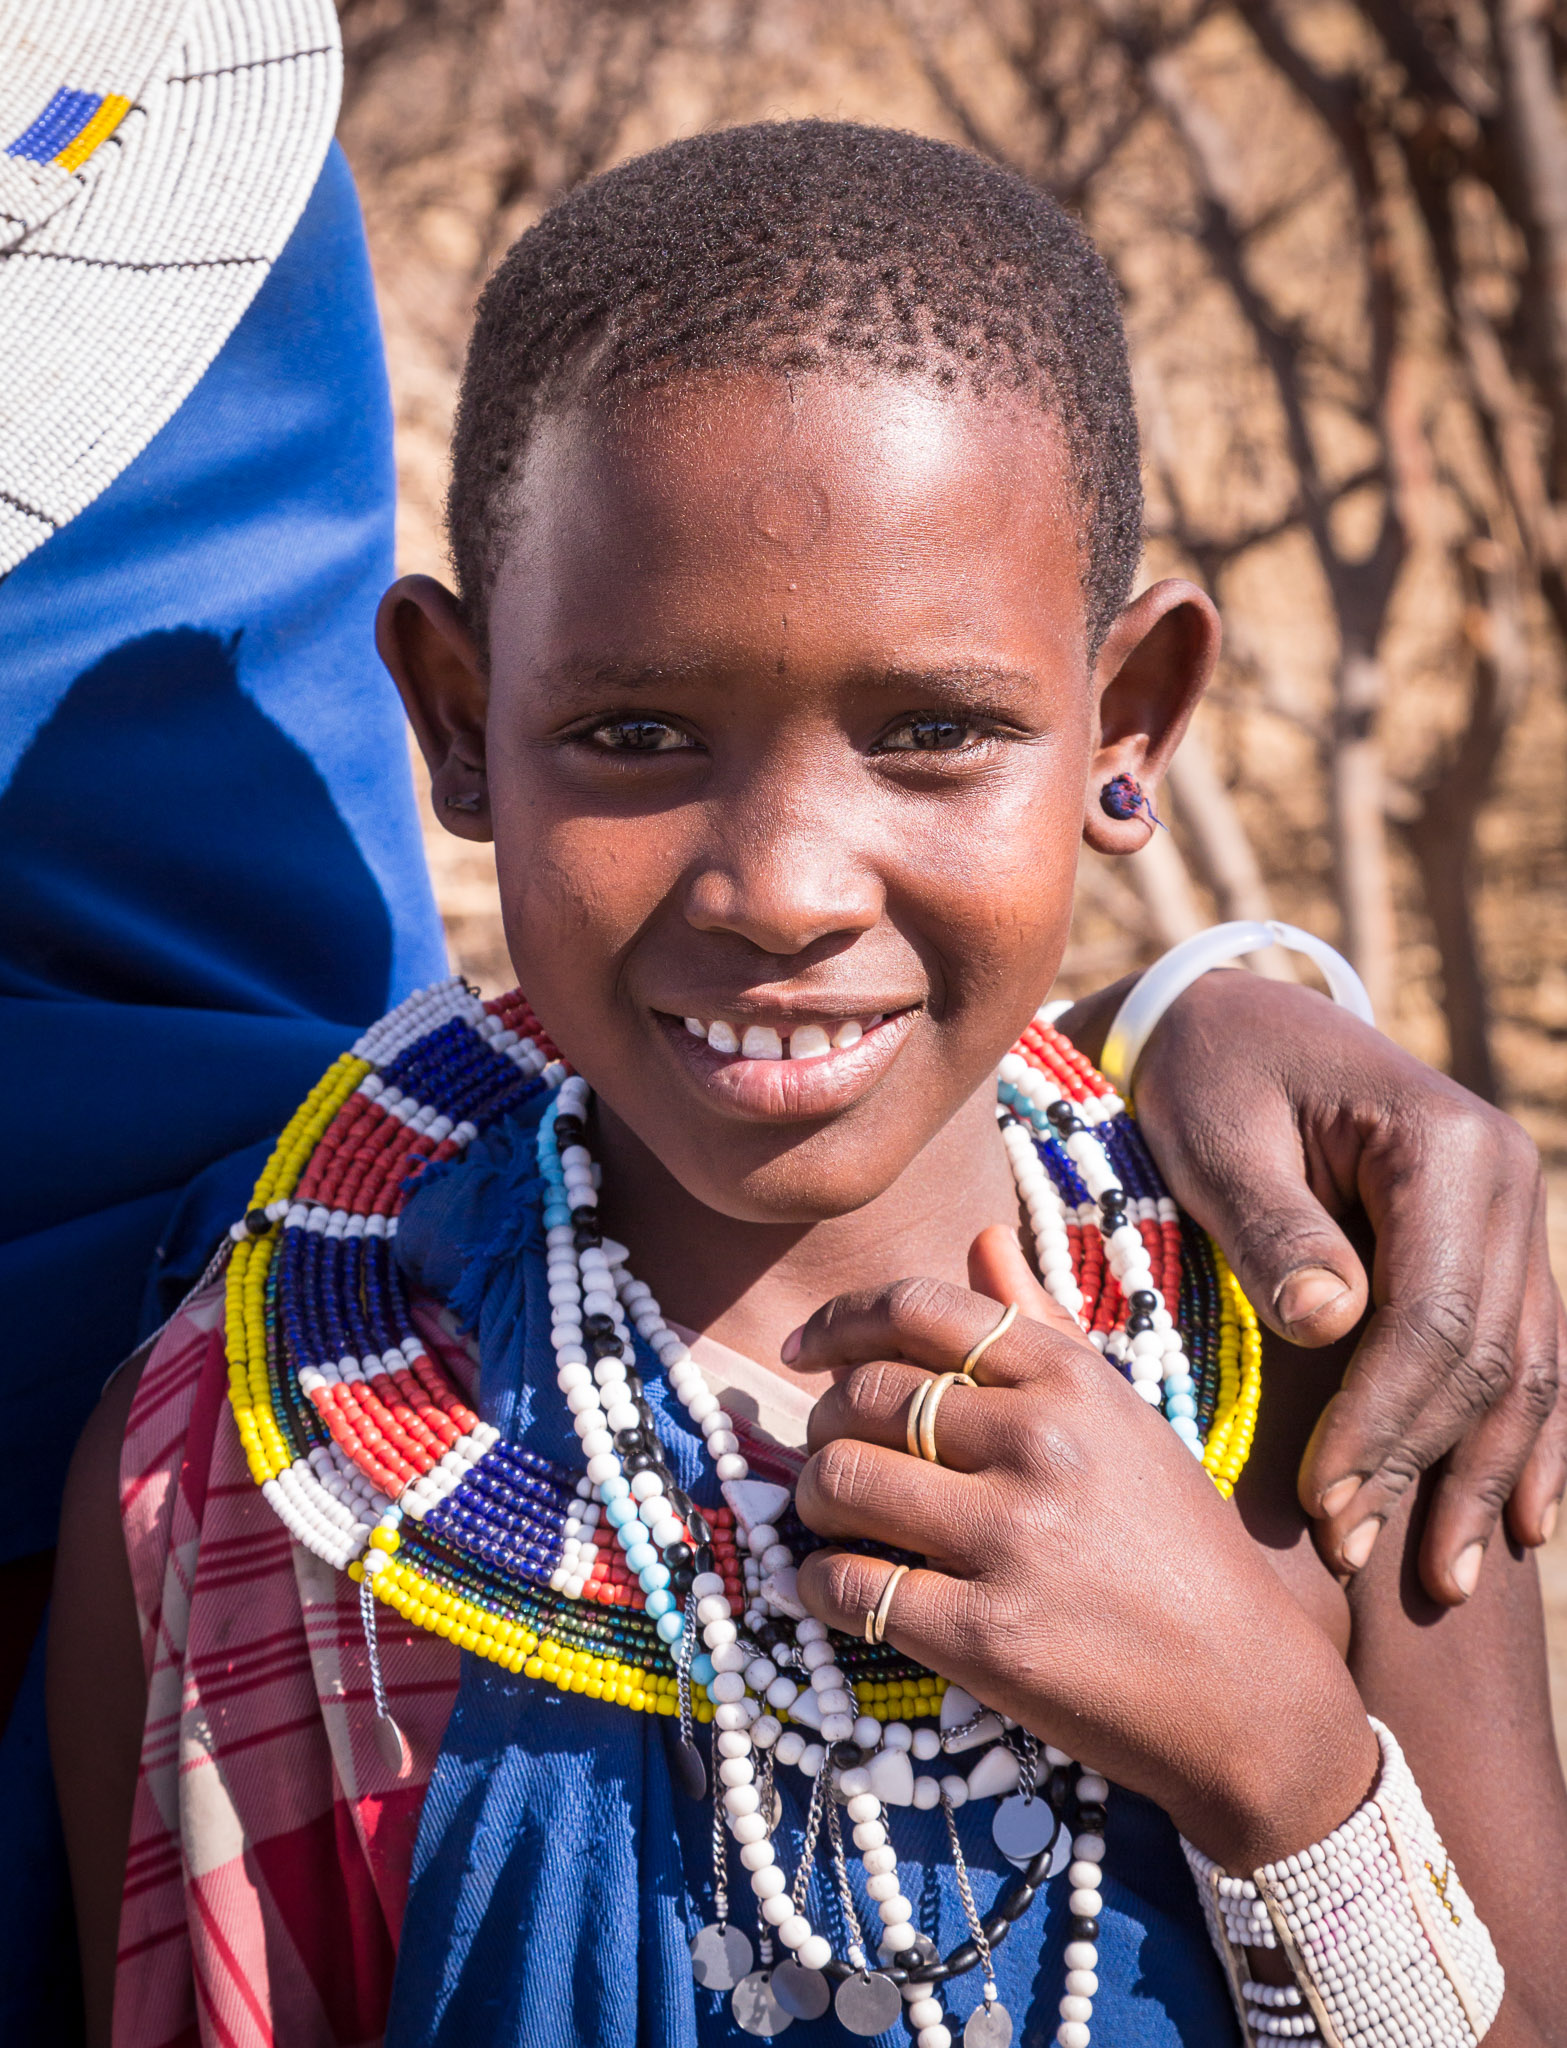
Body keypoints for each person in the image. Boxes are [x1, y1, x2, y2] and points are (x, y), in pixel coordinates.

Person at [49, 122, 1567, 2048]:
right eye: (633, 733)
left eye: (934, 732)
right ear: (454, 721)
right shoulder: (248, 1478)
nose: (780, 886)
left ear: (1130, 730)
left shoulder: (1317, 1363)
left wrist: (1281, 1766)